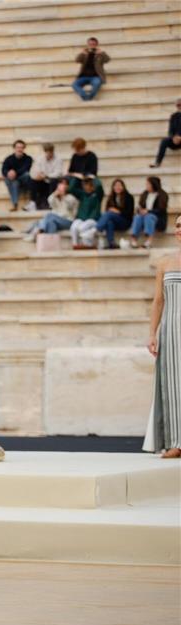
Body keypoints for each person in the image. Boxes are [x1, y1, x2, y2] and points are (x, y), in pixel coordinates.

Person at [142, 214, 181, 458]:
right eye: (178, 225)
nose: (180, 229)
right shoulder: (165, 263)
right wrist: (152, 333)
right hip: (171, 331)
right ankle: (176, 442)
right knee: (174, 386)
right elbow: (158, 301)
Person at [130, 176, 170, 249]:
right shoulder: (145, 194)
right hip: (143, 218)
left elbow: (161, 210)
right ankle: (134, 239)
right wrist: (140, 210)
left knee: (149, 216)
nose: (146, 186)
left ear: (154, 184)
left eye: (148, 184)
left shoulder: (163, 195)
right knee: (137, 216)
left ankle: (149, 240)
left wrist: (148, 211)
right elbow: (140, 206)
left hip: (158, 219)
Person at [96, 179, 134, 250]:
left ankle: (98, 227)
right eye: (116, 186)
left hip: (125, 221)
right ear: (113, 187)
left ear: (123, 187)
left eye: (119, 186)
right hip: (114, 222)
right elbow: (107, 210)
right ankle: (111, 242)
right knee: (109, 222)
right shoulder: (111, 198)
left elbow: (129, 213)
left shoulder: (129, 197)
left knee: (109, 214)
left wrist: (118, 211)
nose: (118, 187)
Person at [68, 176, 104, 249]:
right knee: (73, 227)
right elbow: (71, 189)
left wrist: (94, 178)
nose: (86, 187)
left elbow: (99, 186)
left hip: (93, 220)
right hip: (81, 219)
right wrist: (76, 177)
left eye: (88, 185)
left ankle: (88, 245)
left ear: (92, 186)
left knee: (81, 228)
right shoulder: (82, 194)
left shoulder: (97, 195)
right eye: (84, 185)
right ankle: (75, 245)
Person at [29, 143, 65, 210]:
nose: (48, 154)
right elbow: (33, 171)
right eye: (47, 152)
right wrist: (37, 176)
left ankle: (51, 203)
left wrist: (46, 175)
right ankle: (33, 202)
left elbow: (58, 173)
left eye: (50, 152)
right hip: (42, 180)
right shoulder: (40, 158)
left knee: (54, 180)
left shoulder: (58, 159)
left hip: (53, 180)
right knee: (32, 180)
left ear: (52, 151)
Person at [72, 37, 109, 101]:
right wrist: (82, 53)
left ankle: (89, 98)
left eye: (93, 44)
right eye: (90, 44)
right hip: (83, 76)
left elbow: (107, 60)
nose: (92, 45)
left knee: (97, 84)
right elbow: (77, 60)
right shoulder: (85, 53)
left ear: (96, 44)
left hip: (96, 76)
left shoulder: (100, 54)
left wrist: (102, 52)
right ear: (88, 44)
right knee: (74, 84)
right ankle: (86, 97)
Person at [0, 139, 33, 211]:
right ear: (14, 148)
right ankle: (15, 204)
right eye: (18, 147)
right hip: (14, 181)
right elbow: (3, 169)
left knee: (27, 175)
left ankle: (30, 199)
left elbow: (26, 169)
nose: (19, 149)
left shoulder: (28, 158)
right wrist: (8, 173)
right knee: (10, 181)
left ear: (24, 148)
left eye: (21, 147)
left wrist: (14, 173)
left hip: (24, 182)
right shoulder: (9, 159)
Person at [151, 99, 181, 168]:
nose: (179, 107)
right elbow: (170, 131)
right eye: (178, 105)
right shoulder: (174, 116)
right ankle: (158, 163)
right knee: (164, 141)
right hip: (175, 140)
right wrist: (173, 138)